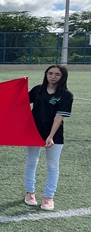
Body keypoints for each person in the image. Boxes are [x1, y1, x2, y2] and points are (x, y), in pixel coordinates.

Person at [24, 65, 73, 211]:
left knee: (52, 165)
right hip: (33, 132)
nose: (52, 76)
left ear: (62, 77)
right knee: (31, 161)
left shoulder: (66, 95)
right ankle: (30, 193)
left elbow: (58, 117)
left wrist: (50, 136)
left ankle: (48, 197)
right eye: (50, 73)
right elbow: (20, 102)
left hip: (54, 134)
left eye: (57, 74)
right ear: (46, 75)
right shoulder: (38, 90)